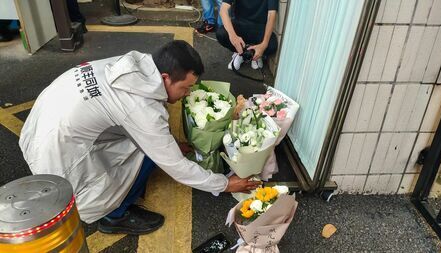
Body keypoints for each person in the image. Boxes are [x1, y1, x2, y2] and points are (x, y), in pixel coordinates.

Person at [19, 40, 260, 235]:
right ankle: (115, 216)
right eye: (185, 88)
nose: (187, 94)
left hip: (40, 126)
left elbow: (126, 117)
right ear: (166, 78)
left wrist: (168, 143)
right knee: (151, 155)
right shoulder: (141, 108)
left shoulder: (134, 64)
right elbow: (176, 167)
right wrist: (226, 184)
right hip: (58, 155)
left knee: (153, 144)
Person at [216, 0, 278, 70]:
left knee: (272, 45)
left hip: (260, 27)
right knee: (221, 33)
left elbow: (272, 14)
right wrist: (233, 37)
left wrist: (264, 44)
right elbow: (223, 10)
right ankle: (240, 52)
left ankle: (255, 54)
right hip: (240, 24)